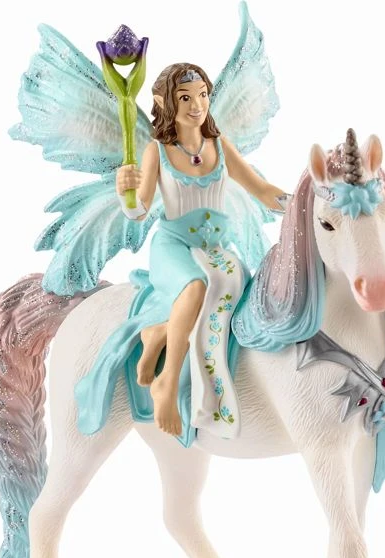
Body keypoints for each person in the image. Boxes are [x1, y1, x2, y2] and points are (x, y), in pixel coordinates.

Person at [115, 62, 287, 436]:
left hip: (217, 250)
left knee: (239, 292)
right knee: (195, 287)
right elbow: (139, 211)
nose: (197, 105)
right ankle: (167, 382)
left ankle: (160, 332)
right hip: (174, 247)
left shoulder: (219, 146)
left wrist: (301, 204)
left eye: (203, 95)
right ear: (164, 102)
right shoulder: (157, 151)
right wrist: (125, 192)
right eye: (185, 98)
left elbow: (261, 189)